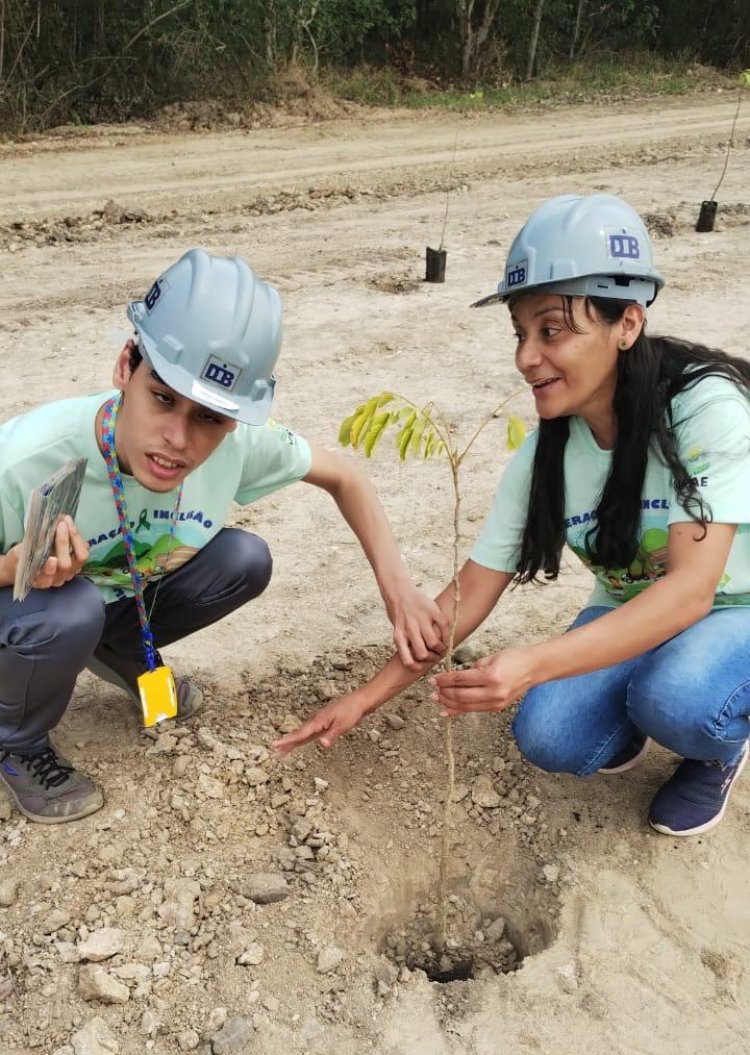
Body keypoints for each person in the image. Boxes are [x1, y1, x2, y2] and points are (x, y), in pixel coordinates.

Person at [276, 194, 750, 838]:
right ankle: (641, 706)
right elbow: (469, 594)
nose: (527, 357)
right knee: (550, 736)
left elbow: (693, 589)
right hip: (637, 608)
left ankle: (715, 746)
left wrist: (530, 663)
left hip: (734, 606)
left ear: (627, 323)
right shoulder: (547, 453)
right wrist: (360, 701)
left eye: (552, 330)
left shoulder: (702, 409)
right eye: (521, 333)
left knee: (678, 698)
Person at [0, 248, 448, 824]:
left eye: (210, 417)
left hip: (115, 599)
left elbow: (345, 475)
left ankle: (121, 651)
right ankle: (15, 739)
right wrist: (15, 568)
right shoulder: (27, 458)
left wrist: (400, 592)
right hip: (25, 609)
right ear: (125, 367)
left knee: (243, 559)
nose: (177, 440)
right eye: (162, 398)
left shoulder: (235, 449)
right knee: (72, 607)